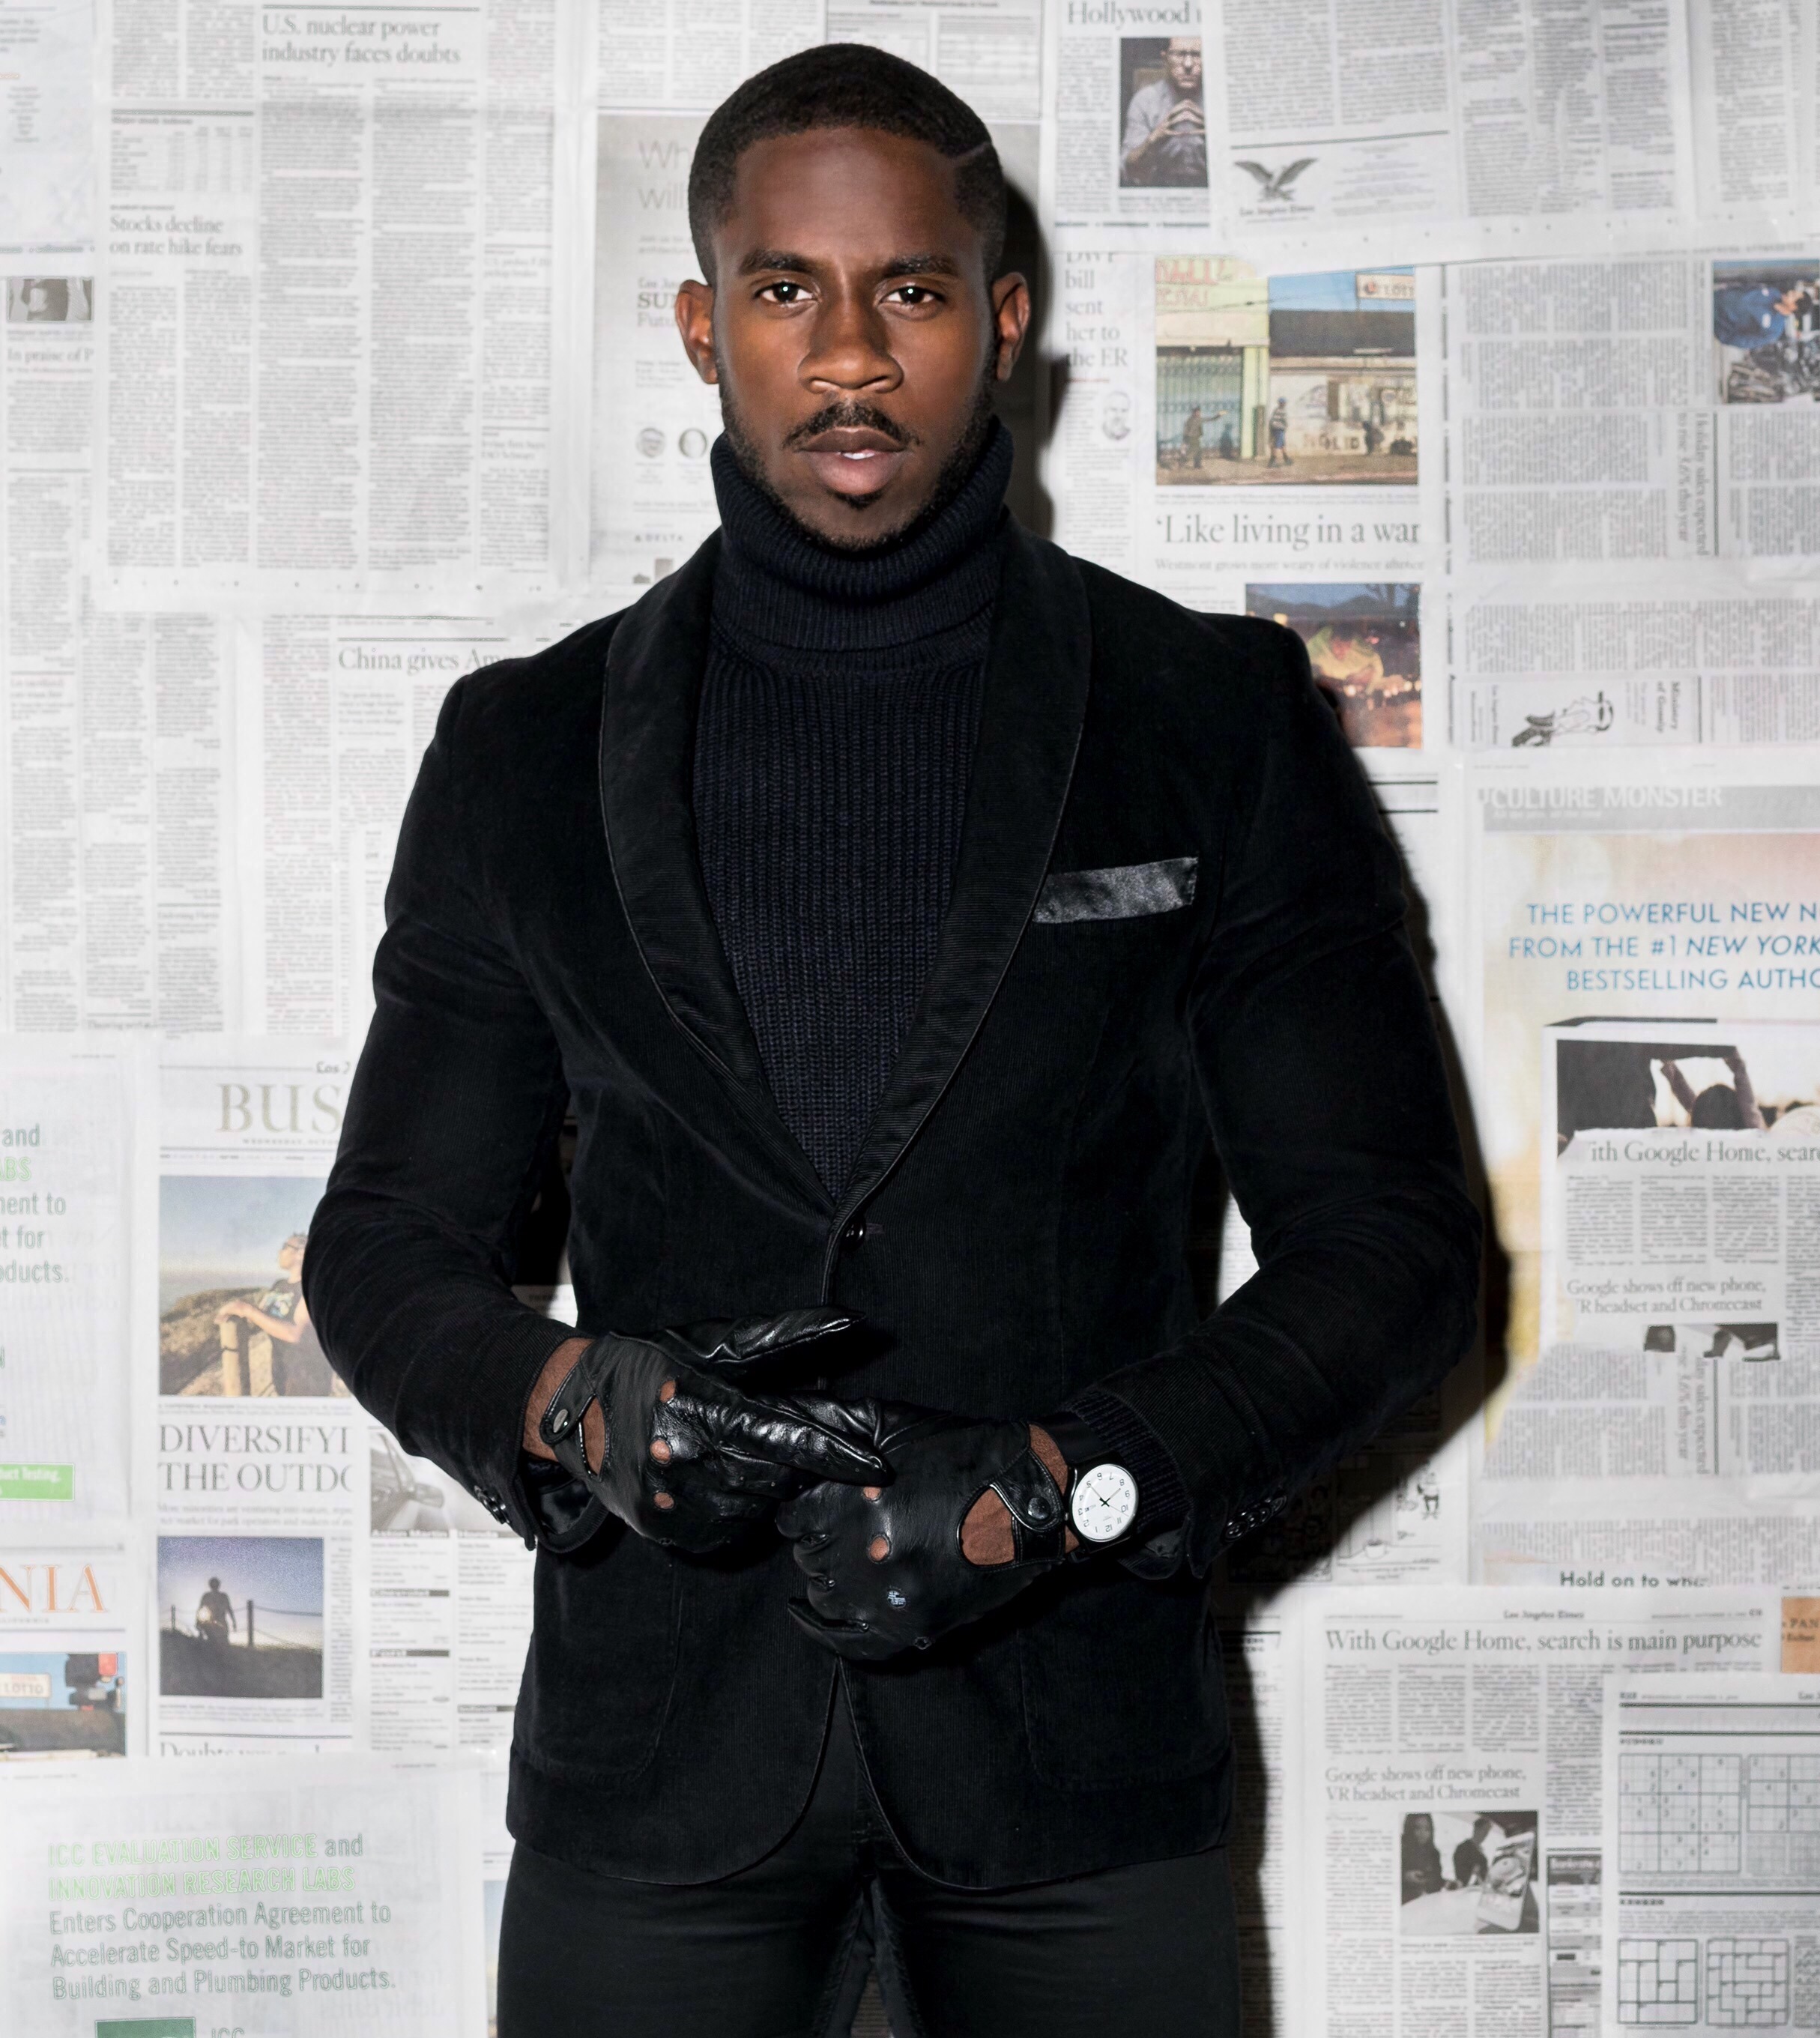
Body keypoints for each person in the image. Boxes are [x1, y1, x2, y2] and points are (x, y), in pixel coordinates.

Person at [305, 46, 1478, 2038]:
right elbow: (384, 1247)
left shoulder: (1207, 718)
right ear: (703, 328)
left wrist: (1059, 1487)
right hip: (657, 1769)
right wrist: (582, 1404)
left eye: (908, 291)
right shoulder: (523, 746)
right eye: (785, 290)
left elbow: (1393, 1258)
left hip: (1072, 1772)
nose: (848, 354)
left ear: (1001, 323)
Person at [216, 1231, 336, 1395]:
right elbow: (262, 1316)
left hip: (308, 1379)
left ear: (301, 1254)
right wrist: (236, 1313)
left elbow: (295, 1334)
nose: (280, 1252)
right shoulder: (279, 1285)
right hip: (283, 1372)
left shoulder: (312, 1287)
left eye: (285, 1247)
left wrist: (246, 1309)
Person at [1122, 37, 1207, 187]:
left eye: (1197, 55)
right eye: (1180, 54)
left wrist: (1215, 140)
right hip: (1160, 187)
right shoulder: (1145, 100)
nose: (1188, 64)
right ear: (1165, 59)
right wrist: (1153, 140)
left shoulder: (1221, 99)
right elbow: (1129, 170)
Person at [1714, 279, 1807, 351]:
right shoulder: (1774, 292)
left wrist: (1721, 334)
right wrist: (1724, 291)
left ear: (1794, 307)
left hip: (1716, 321)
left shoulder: (1775, 329)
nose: (1790, 292)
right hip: (1715, 297)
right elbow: (1748, 287)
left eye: (1793, 295)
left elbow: (1746, 342)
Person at [1401, 1814, 1445, 1901]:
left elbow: (1436, 1879)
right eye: (1418, 1828)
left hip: (1428, 1902)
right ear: (1409, 1829)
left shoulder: (1434, 1853)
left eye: (1427, 1829)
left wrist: (1447, 1884)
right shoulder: (1400, 1850)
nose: (1423, 1833)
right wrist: (1406, 1876)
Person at [196, 1577, 235, 1648]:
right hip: (210, 1624)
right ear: (210, 1585)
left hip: (222, 1623)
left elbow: (229, 1609)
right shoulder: (206, 1596)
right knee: (212, 1643)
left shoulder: (224, 1596)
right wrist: (198, 1622)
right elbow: (200, 1610)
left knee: (224, 1644)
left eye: (216, 1584)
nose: (215, 1586)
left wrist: (234, 1622)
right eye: (213, 1584)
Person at [1454, 1815, 1493, 1887]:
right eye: (1484, 1830)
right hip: (1466, 1890)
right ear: (1476, 1829)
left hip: (1480, 1889)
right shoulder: (1463, 1848)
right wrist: (1473, 1872)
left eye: (1487, 1832)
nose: (1485, 1835)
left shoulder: (1482, 1854)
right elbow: (1461, 1874)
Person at [1268, 394, 1292, 465]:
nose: (1285, 404)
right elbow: (1285, 421)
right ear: (1282, 403)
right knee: (1277, 445)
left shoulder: (1276, 410)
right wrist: (1286, 426)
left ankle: (1286, 459)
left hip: (1274, 428)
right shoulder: (1283, 411)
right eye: (1284, 403)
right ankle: (1273, 461)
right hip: (1279, 429)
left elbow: (1272, 420)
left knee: (1282, 444)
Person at [1182, 402, 1204, 469]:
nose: (1199, 413)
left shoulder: (1198, 419)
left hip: (1196, 437)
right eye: (1197, 412)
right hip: (1192, 437)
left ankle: (1197, 465)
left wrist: (1218, 416)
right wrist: (1185, 438)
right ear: (1194, 413)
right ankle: (1183, 461)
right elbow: (1186, 429)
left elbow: (1209, 419)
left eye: (1199, 412)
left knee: (1199, 451)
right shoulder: (1191, 420)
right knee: (1194, 450)